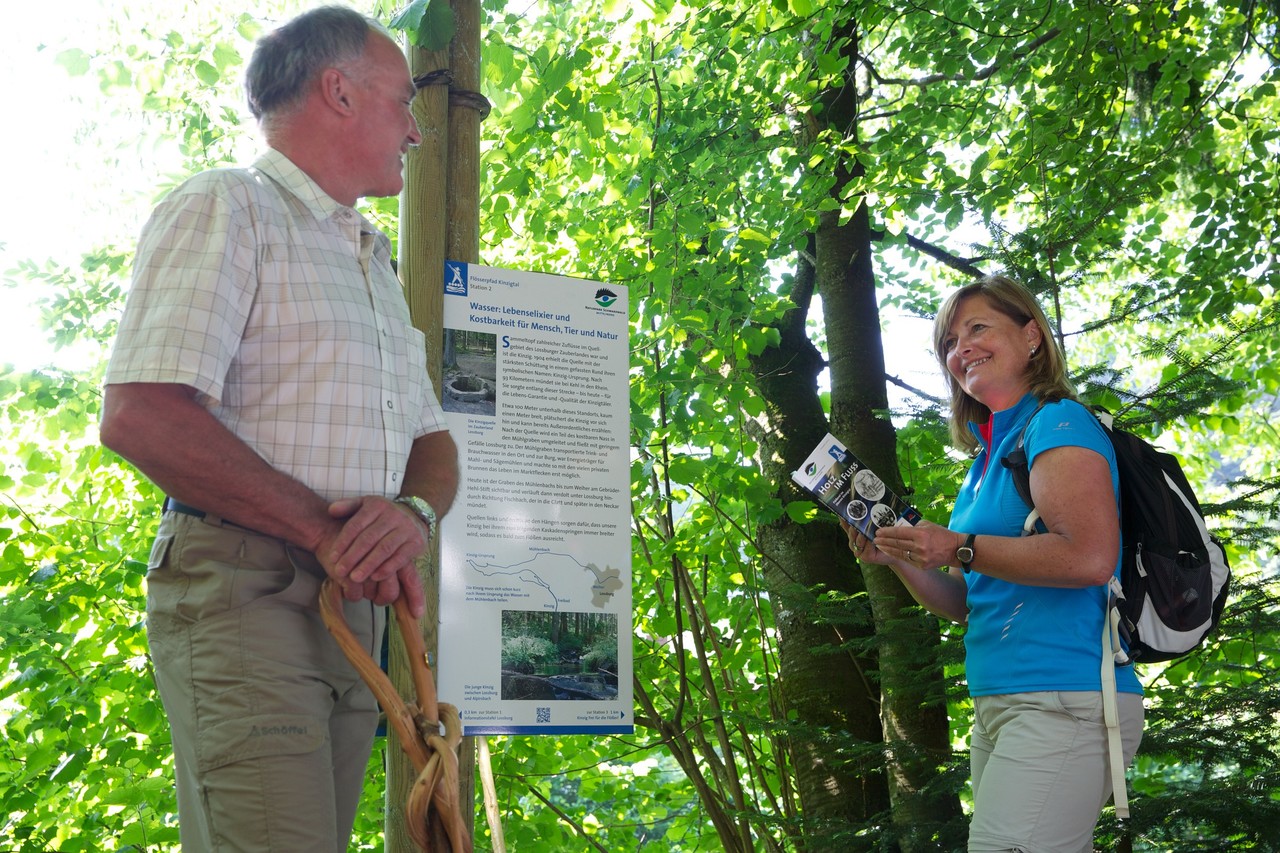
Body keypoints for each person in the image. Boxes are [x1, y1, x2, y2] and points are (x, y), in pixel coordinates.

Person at [98, 7, 458, 850]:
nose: (415, 131)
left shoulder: (371, 260)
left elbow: (432, 444)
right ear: (339, 91)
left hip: (351, 609)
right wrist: (328, 533)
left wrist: (411, 517)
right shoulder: (227, 204)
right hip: (246, 588)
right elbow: (140, 414)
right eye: (404, 102)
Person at [842, 275, 1143, 852]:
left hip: (1065, 697)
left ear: (1031, 336)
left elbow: (1089, 557)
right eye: (949, 342)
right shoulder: (985, 462)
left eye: (977, 328)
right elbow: (964, 603)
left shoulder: (1057, 422)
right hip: (1000, 703)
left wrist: (959, 545)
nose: (962, 349)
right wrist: (898, 558)